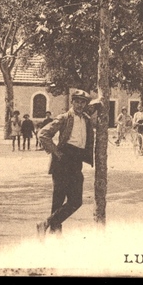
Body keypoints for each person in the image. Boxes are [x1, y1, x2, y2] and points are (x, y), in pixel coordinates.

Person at [36, 90, 96, 237]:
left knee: (76, 201)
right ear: (72, 102)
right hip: (63, 159)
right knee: (58, 199)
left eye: (83, 102)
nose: (80, 105)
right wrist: (55, 152)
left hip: (77, 161)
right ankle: (55, 235)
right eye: (77, 101)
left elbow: (96, 105)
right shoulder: (64, 118)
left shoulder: (86, 119)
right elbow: (43, 134)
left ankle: (45, 224)